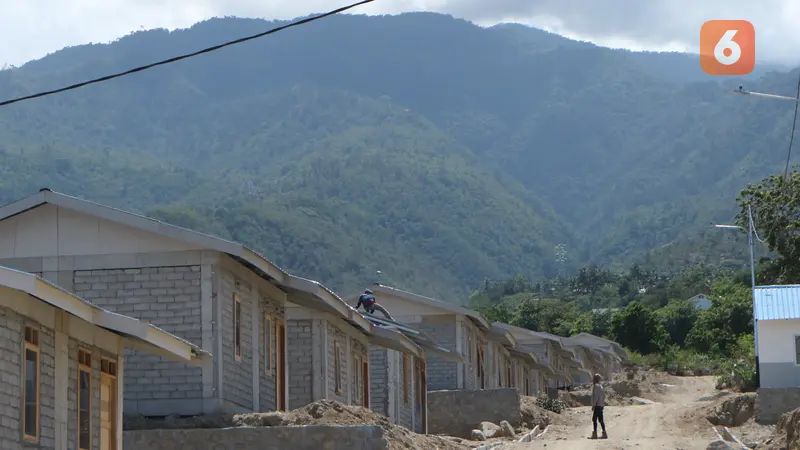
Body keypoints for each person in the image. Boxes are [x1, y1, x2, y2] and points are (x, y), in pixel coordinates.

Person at [591, 373, 608, 439]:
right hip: (600, 405)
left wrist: (594, 405)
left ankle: (595, 434)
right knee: (601, 419)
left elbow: (596, 396)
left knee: (594, 419)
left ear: (596, 379)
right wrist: (602, 404)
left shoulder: (596, 386)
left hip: (597, 405)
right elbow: (604, 396)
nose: (593, 379)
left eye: (594, 378)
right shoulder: (601, 386)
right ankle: (604, 433)